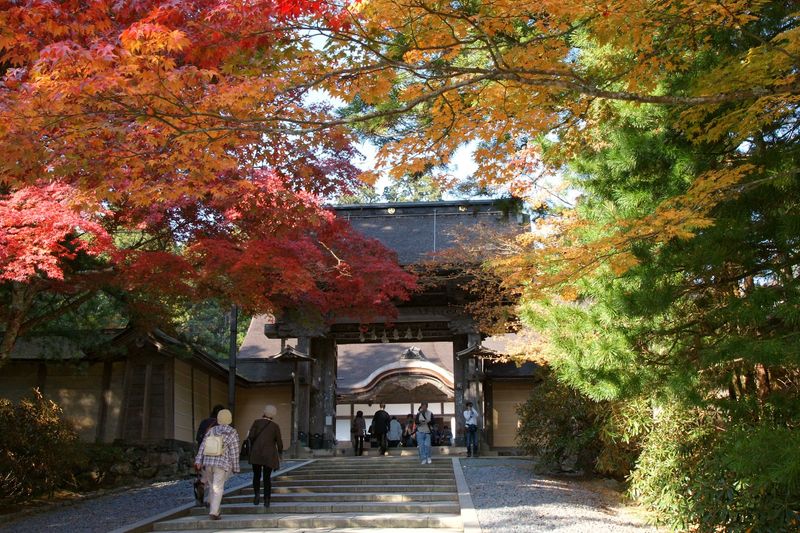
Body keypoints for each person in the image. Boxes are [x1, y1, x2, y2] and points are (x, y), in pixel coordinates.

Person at [195, 408, 240, 520]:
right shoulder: (232, 432)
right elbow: (234, 452)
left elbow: (203, 446)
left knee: (212, 486)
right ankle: (214, 512)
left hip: (208, 462)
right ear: (230, 419)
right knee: (218, 487)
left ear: (218, 419)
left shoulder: (212, 430)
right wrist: (236, 467)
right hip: (221, 463)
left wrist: (198, 460)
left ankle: (215, 508)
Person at [247, 404, 283, 508]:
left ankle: (257, 495)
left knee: (256, 476)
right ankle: (267, 500)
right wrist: (280, 453)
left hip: (256, 453)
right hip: (269, 455)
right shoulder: (275, 426)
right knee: (267, 478)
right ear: (273, 414)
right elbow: (279, 443)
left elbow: (251, 437)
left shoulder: (256, 422)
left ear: (264, 412)